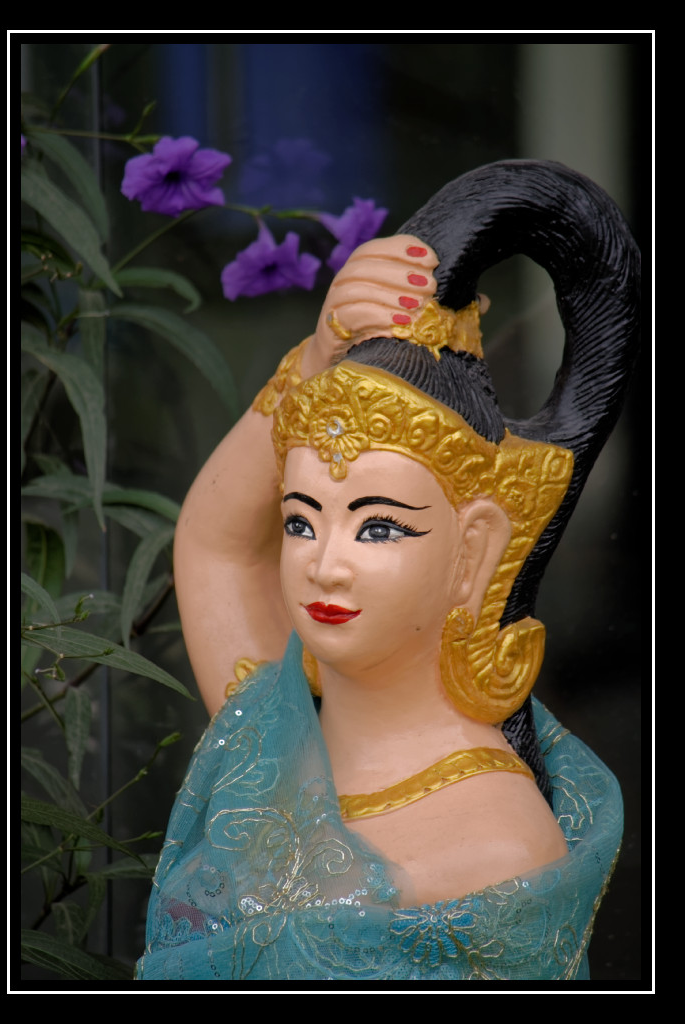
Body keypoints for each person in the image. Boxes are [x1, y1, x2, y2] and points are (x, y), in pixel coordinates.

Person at [135, 160, 639, 982]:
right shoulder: (273, 731)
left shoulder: (499, 845)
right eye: (300, 520)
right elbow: (216, 543)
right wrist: (315, 359)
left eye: (378, 527)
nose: (324, 564)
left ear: (474, 551)